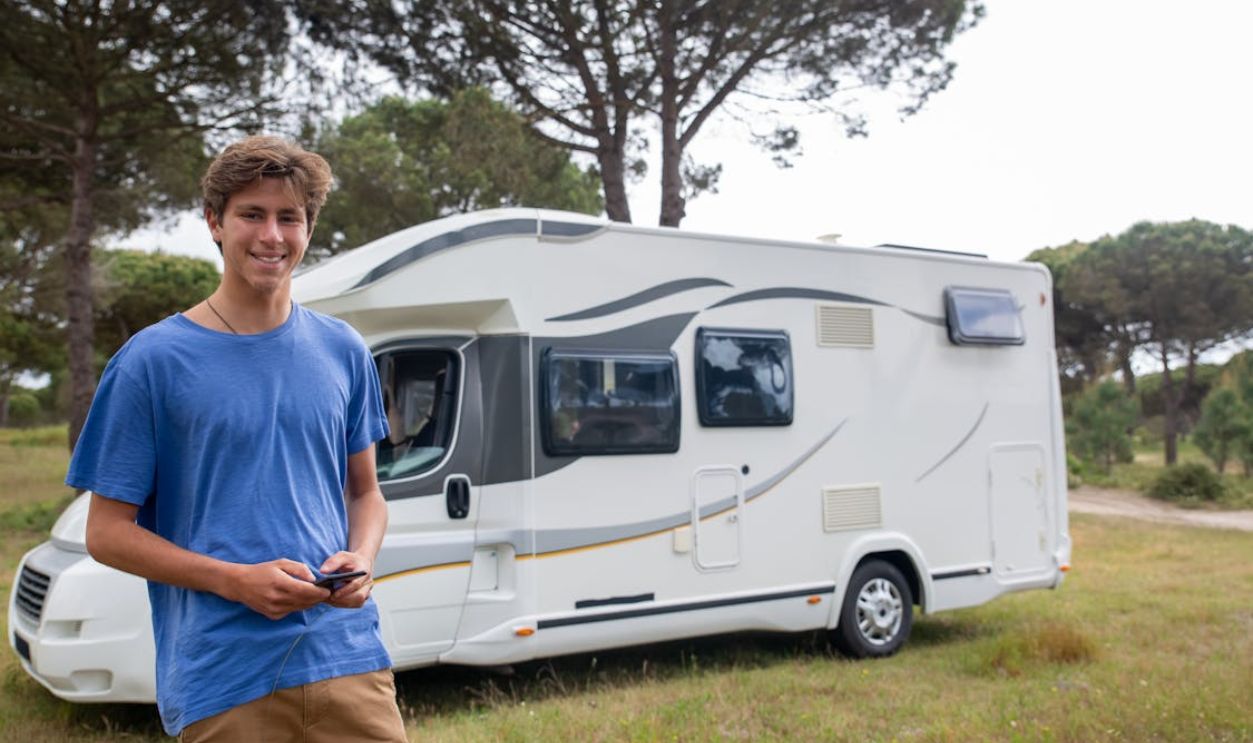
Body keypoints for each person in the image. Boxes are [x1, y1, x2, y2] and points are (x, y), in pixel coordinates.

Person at [69, 135, 407, 741]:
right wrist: (234, 581)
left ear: (308, 229)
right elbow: (106, 533)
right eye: (251, 214)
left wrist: (360, 559)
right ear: (214, 223)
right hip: (222, 677)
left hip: (349, 659)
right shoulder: (151, 361)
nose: (272, 236)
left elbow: (366, 495)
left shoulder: (343, 350)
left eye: (289, 218)